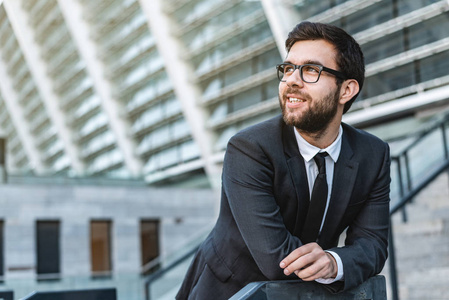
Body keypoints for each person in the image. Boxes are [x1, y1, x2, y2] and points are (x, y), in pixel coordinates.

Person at [176, 21, 390, 300]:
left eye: (311, 70)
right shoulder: (249, 148)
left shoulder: (373, 154)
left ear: (346, 90)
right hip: (230, 290)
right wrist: (331, 262)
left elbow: (373, 245)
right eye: (288, 68)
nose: (291, 80)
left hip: (306, 293)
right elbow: (275, 258)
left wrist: (334, 262)